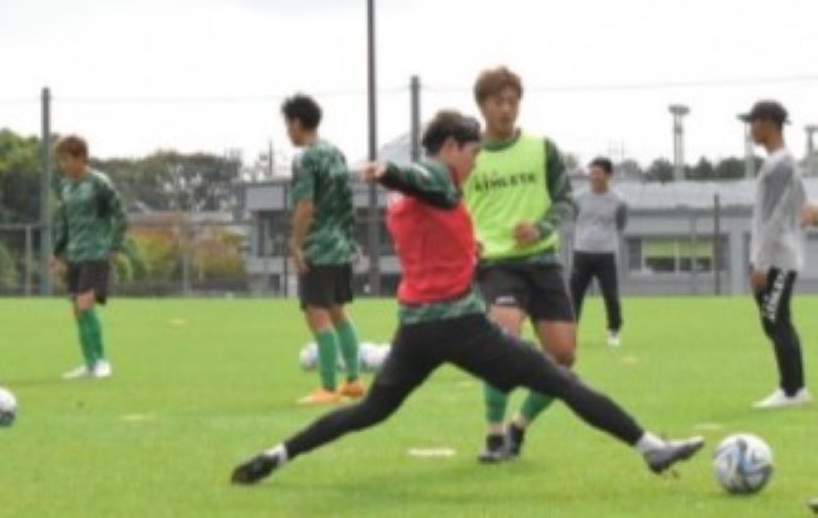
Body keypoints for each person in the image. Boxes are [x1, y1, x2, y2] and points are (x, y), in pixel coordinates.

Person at [230, 110, 704, 485]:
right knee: (562, 379)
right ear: (451, 148)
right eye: (473, 153)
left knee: (368, 412)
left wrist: (465, 247)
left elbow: (429, 218)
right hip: (461, 327)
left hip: (416, 329)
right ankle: (650, 449)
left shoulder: (414, 200)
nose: (476, 163)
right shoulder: (434, 177)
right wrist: (390, 170)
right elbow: (425, 179)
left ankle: (278, 455)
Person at [462, 67, 577, 462]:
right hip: (497, 264)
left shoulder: (542, 148)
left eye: (513, 102)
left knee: (563, 357)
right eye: (498, 102)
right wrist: (466, 241)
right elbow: (451, 206)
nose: (507, 109)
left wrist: (541, 226)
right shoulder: (468, 153)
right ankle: (493, 435)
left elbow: (565, 199)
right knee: (503, 338)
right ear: (482, 106)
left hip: (543, 261)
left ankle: (518, 428)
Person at [282, 94, 364, 405]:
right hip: (340, 245)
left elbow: (305, 205)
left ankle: (328, 388)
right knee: (338, 312)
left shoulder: (307, 158)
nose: (287, 131)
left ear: (297, 123)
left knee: (316, 314)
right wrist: (349, 240)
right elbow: (347, 201)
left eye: (287, 124)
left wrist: (296, 244)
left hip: (318, 247)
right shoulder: (337, 154)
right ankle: (354, 381)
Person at [740, 101, 810, 409]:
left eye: (753, 121)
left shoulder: (780, 164)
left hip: (777, 258)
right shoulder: (779, 164)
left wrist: (761, 263)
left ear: (769, 122)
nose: (750, 128)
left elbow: (775, 218)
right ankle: (795, 389)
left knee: (775, 320)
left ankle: (792, 391)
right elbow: (800, 207)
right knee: (777, 320)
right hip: (774, 256)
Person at [50, 135, 127, 380]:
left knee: (85, 303)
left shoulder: (99, 183)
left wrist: (114, 247)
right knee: (77, 309)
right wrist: (58, 254)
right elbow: (64, 222)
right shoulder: (65, 186)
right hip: (74, 255)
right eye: (60, 160)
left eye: (66, 159)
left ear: (81, 158)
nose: (63, 165)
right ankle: (89, 363)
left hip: (96, 252)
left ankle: (102, 361)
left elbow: (121, 215)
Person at [570, 157, 628, 347]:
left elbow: (621, 224)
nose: (593, 177)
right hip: (582, 252)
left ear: (608, 175)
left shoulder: (618, 201)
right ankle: (570, 331)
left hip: (606, 253)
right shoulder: (578, 198)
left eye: (598, 173)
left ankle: (614, 330)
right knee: (574, 295)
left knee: (610, 294)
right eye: (591, 173)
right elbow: (574, 217)